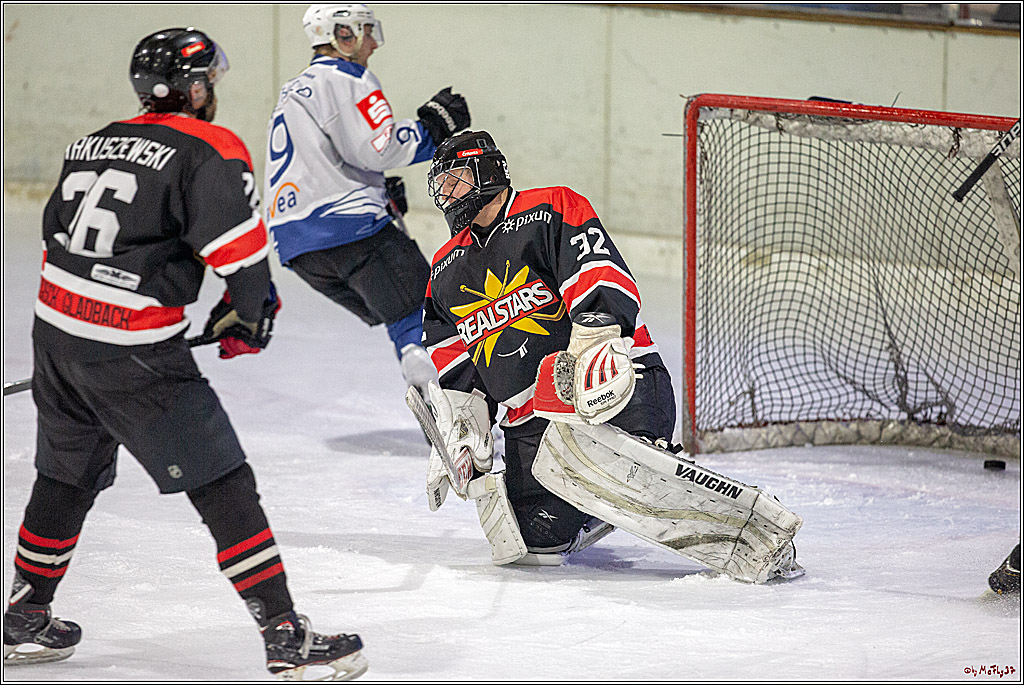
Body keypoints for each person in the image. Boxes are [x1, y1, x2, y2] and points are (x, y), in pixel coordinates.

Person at [3, 28, 367, 681]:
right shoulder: (210, 148)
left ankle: (26, 615)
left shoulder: (91, 140)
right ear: (195, 88)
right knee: (223, 479)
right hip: (135, 356)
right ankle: (285, 633)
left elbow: (60, 237)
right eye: (210, 83)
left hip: (56, 335)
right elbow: (244, 266)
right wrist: (251, 316)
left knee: (65, 472)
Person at [419, 130, 804, 582]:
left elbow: (601, 280)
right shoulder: (443, 272)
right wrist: (465, 430)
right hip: (534, 428)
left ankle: (743, 521)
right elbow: (456, 367)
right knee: (531, 543)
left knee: (625, 468)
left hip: (613, 388)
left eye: (458, 178)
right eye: (441, 185)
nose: (449, 193)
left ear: (490, 172)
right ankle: (598, 503)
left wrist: (589, 348)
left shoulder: (549, 210)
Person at [264, 4, 470, 404]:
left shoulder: (295, 89)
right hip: (348, 230)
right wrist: (432, 130)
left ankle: (427, 378)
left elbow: (329, 161)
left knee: (399, 309)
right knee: (427, 311)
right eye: (366, 31)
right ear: (342, 34)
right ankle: (448, 400)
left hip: (298, 247)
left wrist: (375, 189)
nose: (373, 43)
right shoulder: (348, 77)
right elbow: (380, 148)